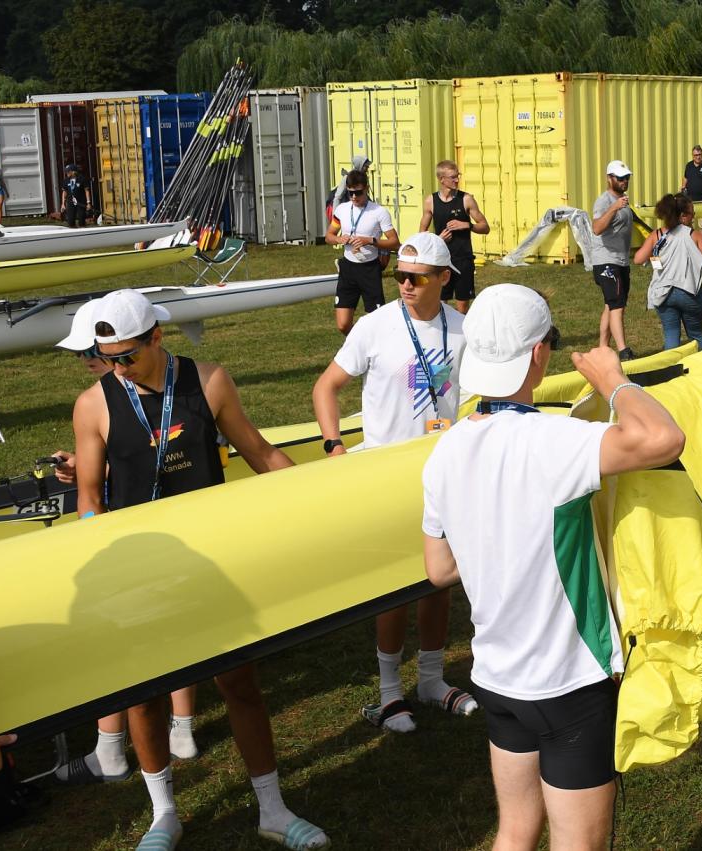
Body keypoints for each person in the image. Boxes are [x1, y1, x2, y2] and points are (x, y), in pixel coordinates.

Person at [421, 283, 685, 851]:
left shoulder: (444, 451)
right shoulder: (557, 441)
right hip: (569, 684)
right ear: (539, 354)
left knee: (514, 831)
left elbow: (438, 570)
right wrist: (613, 380)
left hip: (496, 677)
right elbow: (663, 438)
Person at [70, 288, 329, 850]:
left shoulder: (208, 381)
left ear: (157, 337)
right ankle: (164, 815)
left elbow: (259, 452)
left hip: (211, 562)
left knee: (240, 685)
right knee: (143, 697)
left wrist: (324, 495)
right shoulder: (93, 405)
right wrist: (98, 554)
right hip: (138, 570)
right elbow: (89, 494)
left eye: (127, 356)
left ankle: (272, 809)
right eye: (106, 358)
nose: (117, 368)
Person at [312, 232, 475, 733]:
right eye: (400, 276)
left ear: (443, 278)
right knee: (393, 589)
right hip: (385, 479)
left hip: (442, 474)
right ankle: (388, 694)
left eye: (416, 278)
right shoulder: (375, 325)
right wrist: (335, 447)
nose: (405, 285)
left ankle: (430, 681)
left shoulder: (463, 329)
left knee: (438, 582)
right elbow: (326, 387)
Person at [50, 299, 204, 780]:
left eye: (94, 355)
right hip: (133, 536)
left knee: (161, 637)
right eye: (93, 355)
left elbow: (149, 449)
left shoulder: (185, 382)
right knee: (139, 641)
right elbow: (114, 470)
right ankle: (119, 745)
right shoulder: (97, 400)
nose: (95, 364)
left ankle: (159, 735)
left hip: (180, 538)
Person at [635, 193, 702, 350]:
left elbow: (638, 259)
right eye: (692, 214)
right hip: (689, 292)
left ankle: (672, 364)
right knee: (696, 335)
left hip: (663, 293)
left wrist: (654, 254)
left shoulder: (657, 235)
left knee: (671, 336)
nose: (694, 217)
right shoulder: (693, 234)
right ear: (682, 215)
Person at [326, 169, 398, 336]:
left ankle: (376, 347)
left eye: (358, 193)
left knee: (376, 323)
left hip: (369, 269)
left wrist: (370, 241)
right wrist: (339, 239)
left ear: (366, 188)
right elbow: (329, 236)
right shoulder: (342, 210)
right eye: (350, 193)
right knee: (343, 324)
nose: (354, 197)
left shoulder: (379, 212)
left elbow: (395, 242)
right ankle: (359, 345)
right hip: (348, 269)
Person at [418, 160, 490, 314]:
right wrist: (438, 239)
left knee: (462, 307)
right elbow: (422, 234)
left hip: (463, 260)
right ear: (441, 179)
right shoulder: (430, 201)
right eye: (453, 177)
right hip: (441, 260)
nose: (457, 180)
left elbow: (485, 227)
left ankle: (462, 329)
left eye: (458, 176)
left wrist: (467, 225)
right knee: (439, 305)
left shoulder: (466, 199)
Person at [590, 160, 636, 360]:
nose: (624, 181)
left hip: (621, 261)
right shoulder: (604, 201)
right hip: (606, 261)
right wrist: (614, 208)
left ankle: (602, 349)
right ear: (609, 178)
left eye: (627, 178)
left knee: (611, 305)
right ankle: (623, 350)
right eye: (620, 178)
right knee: (617, 306)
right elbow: (597, 228)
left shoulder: (623, 200)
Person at [60, 164, 92, 228]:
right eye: (66, 171)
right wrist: (63, 204)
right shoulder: (66, 180)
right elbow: (64, 192)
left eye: (68, 171)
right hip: (70, 202)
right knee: (70, 220)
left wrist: (88, 203)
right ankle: (72, 229)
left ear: (73, 172)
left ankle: (83, 230)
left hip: (80, 202)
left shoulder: (82, 179)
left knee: (81, 219)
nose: (67, 173)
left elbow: (86, 191)